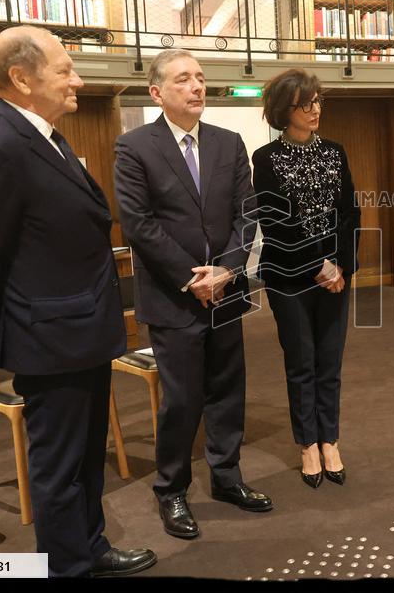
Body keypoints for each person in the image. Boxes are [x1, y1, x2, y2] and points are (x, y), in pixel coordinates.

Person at [0, 25, 156, 577]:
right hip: (49, 335)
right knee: (59, 463)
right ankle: (65, 566)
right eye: (65, 69)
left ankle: (88, 548)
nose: (78, 79)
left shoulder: (41, 133)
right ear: (22, 79)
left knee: (85, 458)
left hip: (79, 329)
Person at [114, 49, 270, 541]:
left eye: (201, 78)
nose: (197, 87)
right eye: (184, 79)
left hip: (225, 293)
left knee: (228, 390)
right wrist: (192, 277)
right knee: (181, 400)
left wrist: (224, 270)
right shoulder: (134, 146)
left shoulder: (229, 143)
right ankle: (171, 489)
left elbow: (248, 212)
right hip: (172, 296)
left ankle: (227, 479)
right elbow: (139, 224)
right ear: (157, 93)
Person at [249, 69, 360, 488]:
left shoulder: (335, 151)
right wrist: (318, 264)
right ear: (284, 109)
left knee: (329, 362)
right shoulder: (265, 158)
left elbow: (351, 211)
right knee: (301, 362)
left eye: (317, 101)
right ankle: (307, 444)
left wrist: (340, 265)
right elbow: (276, 222)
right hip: (290, 276)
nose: (315, 110)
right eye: (305, 103)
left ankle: (329, 439)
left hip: (335, 276)